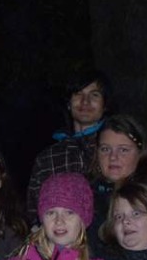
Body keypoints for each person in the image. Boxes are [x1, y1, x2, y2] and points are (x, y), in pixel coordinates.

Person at [27, 69, 111, 208]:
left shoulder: (117, 148)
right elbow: (34, 209)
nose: (85, 101)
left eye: (94, 95)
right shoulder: (48, 157)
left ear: (105, 105)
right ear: (68, 103)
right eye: (78, 94)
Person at [90, 114, 147, 206]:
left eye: (123, 150)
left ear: (140, 153)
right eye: (105, 149)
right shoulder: (84, 197)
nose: (113, 157)